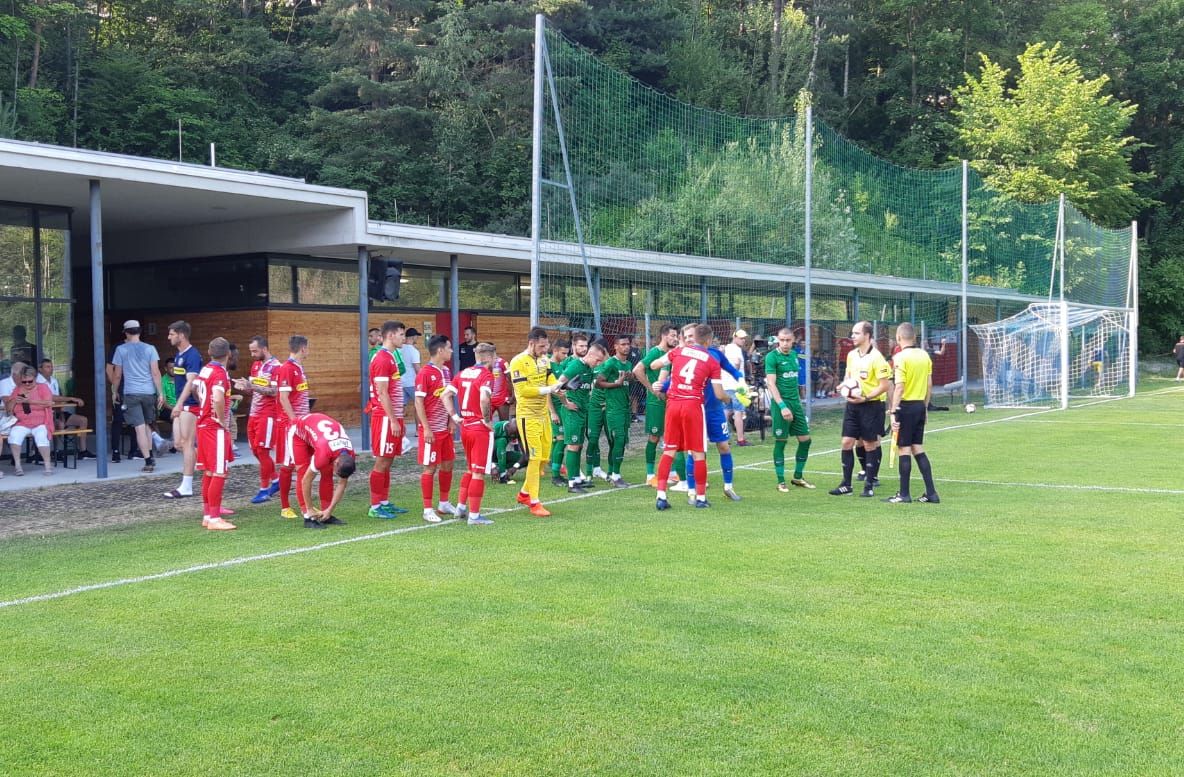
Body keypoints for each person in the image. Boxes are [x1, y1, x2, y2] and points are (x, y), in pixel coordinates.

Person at [651, 323, 726, 509]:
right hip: (693, 405)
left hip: (673, 404)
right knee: (698, 452)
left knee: (669, 450)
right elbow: (718, 394)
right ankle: (700, 498)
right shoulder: (712, 361)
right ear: (708, 340)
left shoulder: (678, 351)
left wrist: (668, 375)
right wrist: (728, 398)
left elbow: (654, 364)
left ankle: (661, 496)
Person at [829, 321, 892, 498]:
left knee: (870, 443)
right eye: (853, 333)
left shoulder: (877, 358)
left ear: (867, 335)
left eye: (856, 333)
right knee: (846, 442)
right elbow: (849, 377)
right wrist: (843, 386)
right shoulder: (851, 355)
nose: (853, 336)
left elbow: (885, 385)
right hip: (852, 405)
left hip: (871, 405)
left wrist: (865, 397)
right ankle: (846, 485)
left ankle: (869, 485)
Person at [509, 326, 561, 517]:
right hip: (527, 416)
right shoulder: (518, 361)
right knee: (534, 457)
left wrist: (557, 386)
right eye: (541, 346)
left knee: (544, 457)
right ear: (531, 343)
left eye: (546, 346)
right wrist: (548, 390)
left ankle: (524, 494)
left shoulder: (544, 359)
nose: (545, 349)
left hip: (543, 415)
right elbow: (523, 391)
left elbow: (549, 377)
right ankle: (534, 502)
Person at [886, 323, 940, 503]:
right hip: (919, 406)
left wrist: (893, 411)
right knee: (917, 447)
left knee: (904, 449)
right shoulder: (924, 355)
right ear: (915, 337)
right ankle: (931, 493)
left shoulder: (900, 357)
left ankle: (904, 494)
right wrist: (925, 407)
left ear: (898, 338)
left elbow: (899, 387)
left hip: (906, 407)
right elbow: (929, 384)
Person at [451, 341, 499, 525]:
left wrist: (455, 416)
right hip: (479, 428)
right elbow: (484, 398)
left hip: (466, 426)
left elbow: (445, 395)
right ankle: (474, 516)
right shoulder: (486, 375)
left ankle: (460, 508)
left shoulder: (463, 373)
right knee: (478, 472)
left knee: (470, 469)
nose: (495, 360)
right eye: (494, 357)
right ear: (489, 357)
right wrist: (487, 420)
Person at [415, 334, 459, 523]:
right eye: (449, 348)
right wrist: (426, 428)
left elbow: (447, 397)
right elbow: (418, 402)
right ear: (440, 350)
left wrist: (451, 420)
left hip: (445, 429)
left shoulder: (446, 372)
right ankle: (427, 509)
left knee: (448, 464)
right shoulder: (425, 373)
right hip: (431, 430)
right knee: (430, 468)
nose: (451, 351)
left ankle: (444, 503)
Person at [110, 320, 165, 473]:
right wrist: (160, 392)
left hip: (131, 393)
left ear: (126, 333)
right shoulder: (150, 349)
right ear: (139, 332)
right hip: (148, 392)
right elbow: (155, 372)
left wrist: (114, 391)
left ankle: (148, 461)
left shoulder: (121, 350)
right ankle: (150, 454)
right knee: (147, 424)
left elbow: (117, 374)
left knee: (139, 428)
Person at [367, 320, 408, 519]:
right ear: (390, 335)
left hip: (393, 416)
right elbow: (382, 393)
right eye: (401, 334)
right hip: (384, 418)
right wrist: (392, 419)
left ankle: (383, 502)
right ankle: (375, 506)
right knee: (382, 461)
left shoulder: (391, 357)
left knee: (388, 460)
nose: (404, 339)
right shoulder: (382, 358)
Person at [765, 327, 814, 492]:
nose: (785, 343)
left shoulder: (794, 355)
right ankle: (781, 481)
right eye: (782, 340)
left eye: (788, 340)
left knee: (806, 440)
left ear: (793, 341)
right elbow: (771, 383)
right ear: (778, 340)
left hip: (795, 403)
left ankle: (798, 477)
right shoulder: (772, 357)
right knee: (781, 441)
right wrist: (782, 406)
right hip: (781, 404)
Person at [193, 338, 236, 530]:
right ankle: (214, 519)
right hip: (214, 427)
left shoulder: (206, 369)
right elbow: (218, 397)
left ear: (210, 353)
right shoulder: (220, 373)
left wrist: (205, 406)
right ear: (228, 354)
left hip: (203, 425)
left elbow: (196, 389)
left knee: (209, 472)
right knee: (219, 472)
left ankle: (207, 515)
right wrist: (221, 418)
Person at [234, 335, 282, 504]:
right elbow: (254, 390)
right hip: (254, 413)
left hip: (268, 414)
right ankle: (276, 480)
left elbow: (275, 392)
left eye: (255, 351)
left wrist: (252, 386)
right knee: (255, 450)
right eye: (251, 351)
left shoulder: (276, 367)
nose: (252, 354)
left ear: (264, 349)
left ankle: (264, 490)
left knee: (262, 451)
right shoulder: (256, 365)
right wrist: (244, 387)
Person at [633, 325, 681, 487]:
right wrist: (652, 390)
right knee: (654, 436)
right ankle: (650, 474)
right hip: (656, 402)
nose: (675, 339)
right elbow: (637, 370)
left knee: (671, 436)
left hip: (671, 400)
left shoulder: (673, 353)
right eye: (673, 335)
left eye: (677, 336)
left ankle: (672, 472)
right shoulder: (655, 352)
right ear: (664, 336)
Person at [558, 338, 608, 493]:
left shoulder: (589, 369)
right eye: (597, 360)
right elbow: (558, 385)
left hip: (582, 411)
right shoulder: (575, 365)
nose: (598, 364)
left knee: (578, 445)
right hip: (572, 412)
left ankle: (577, 479)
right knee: (573, 445)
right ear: (590, 355)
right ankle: (572, 483)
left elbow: (587, 388)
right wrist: (566, 403)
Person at [291, 412, 356, 528]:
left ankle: (325, 514)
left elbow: (342, 483)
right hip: (298, 432)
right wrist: (310, 508)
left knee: (327, 473)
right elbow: (306, 480)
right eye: (337, 472)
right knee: (303, 473)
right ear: (336, 462)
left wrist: (329, 509)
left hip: (319, 436)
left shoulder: (349, 455)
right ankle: (307, 516)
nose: (337, 474)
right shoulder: (324, 454)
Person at [273, 334, 313, 518]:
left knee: (302, 465)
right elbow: (283, 398)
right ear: (303, 349)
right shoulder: (287, 368)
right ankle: (285, 507)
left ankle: (305, 504)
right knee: (288, 465)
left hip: (301, 425)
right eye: (308, 348)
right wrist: (295, 421)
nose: (308, 351)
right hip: (290, 426)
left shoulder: (298, 368)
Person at [165, 321, 203, 498]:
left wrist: (179, 404)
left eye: (172, 334)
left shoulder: (193, 355)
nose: (169, 337)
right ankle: (207, 459)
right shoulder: (179, 354)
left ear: (181, 335)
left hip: (190, 405)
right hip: (182, 404)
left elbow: (191, 382)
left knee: (187, 443)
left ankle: (186, 486)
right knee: (178, 444)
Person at [595, 335, 635, 488]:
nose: (626, 347)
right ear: (616, 346)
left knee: (622, 441)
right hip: (613, 409)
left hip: (625, 409)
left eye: (628, 344)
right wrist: (616, 384)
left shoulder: (628, 363)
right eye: (622, 344)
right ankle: (616, 476)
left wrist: (630, 378)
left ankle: (613, 473)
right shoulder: (611, 363)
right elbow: (598, 382)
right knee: (618, 440)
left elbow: (626, 382)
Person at [3, 364, 55, 476]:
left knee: (41, 437)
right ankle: (18, 466)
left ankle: (47, 466)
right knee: (14, 436)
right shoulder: (18, 389)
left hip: (40, 422)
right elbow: (8, 409)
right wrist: (14, 400)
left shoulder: (42, 387)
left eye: (30, 381)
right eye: (24, 381)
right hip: (22, 422)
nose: (27, 384)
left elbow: (49, 403)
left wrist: (29, 401)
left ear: (35, 378)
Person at [39, 358, 95, 459]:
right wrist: (71, 398)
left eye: (51, 367)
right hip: (44, 414)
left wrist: (61, 412)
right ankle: (57, 451)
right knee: (59, 424)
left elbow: (58, 398)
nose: (51, 369)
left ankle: (83, 451)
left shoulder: (54, 380)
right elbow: (51, 397)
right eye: (47, 367)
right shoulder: (38, 381)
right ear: (40, 369)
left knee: (83, 420)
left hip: (57, 411)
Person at [547, 338, 571, 484]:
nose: (566, 356)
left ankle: (554, 467)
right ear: (555, 350)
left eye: (567, 353)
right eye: (563, 353)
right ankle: (555, 475)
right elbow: (547, 393)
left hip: (562, 407)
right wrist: (553, 412)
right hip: (555, 409)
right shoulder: (548, 366)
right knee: (561, 440)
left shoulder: (561, 365)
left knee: (559, 441)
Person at [722, 329, 750, 446]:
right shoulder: (735, 349)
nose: (743, 340)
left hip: (726, 385)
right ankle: (740, 439)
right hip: (736, 386)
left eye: (744, 338)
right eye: (741, 338)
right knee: (738, 412)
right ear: (734, 337)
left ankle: (724, 438)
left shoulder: (726, 348)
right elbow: (735, 366)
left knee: (726, 411)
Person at [400, 327, 422, 413]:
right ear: (413, 337)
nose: (417, 338)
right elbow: (417, 368)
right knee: (420, 405)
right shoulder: (414, 351)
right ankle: (419, 422)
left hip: (401, 382)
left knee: (401, 407)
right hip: (411, 382)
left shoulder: (399, 349)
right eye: (416, 336)